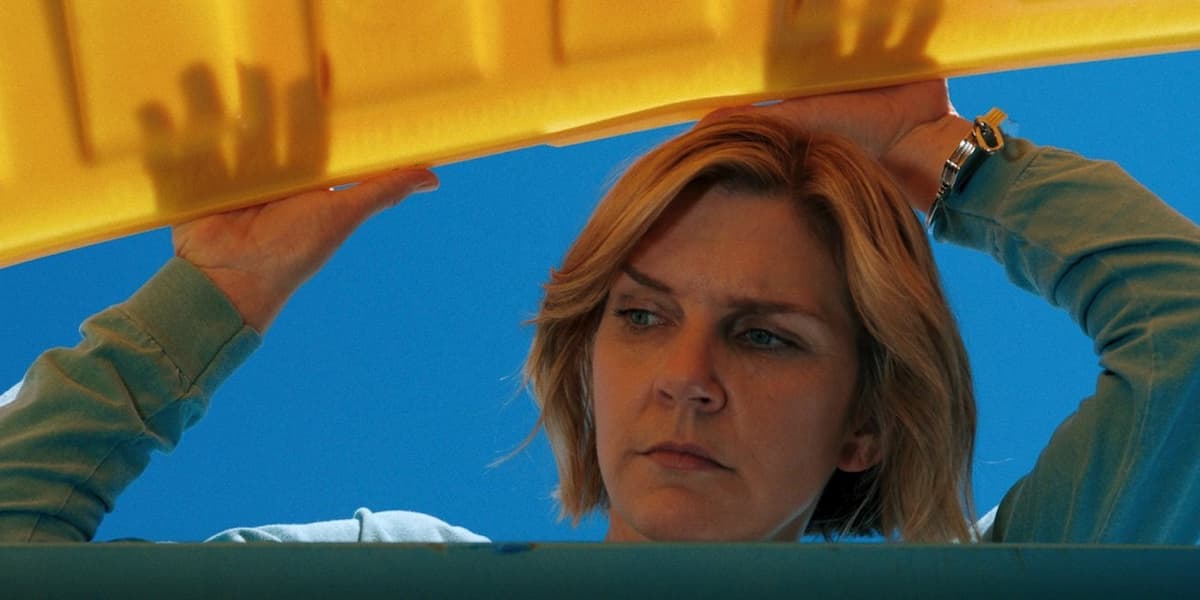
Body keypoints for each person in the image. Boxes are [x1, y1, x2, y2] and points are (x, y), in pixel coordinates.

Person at [1, 81, 1198, 543]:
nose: (688, 375)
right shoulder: (404, 576)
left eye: (765, 333)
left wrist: (935, 155)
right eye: (640, 317)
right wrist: (216, 291)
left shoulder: (964, 595)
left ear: (865, 426)